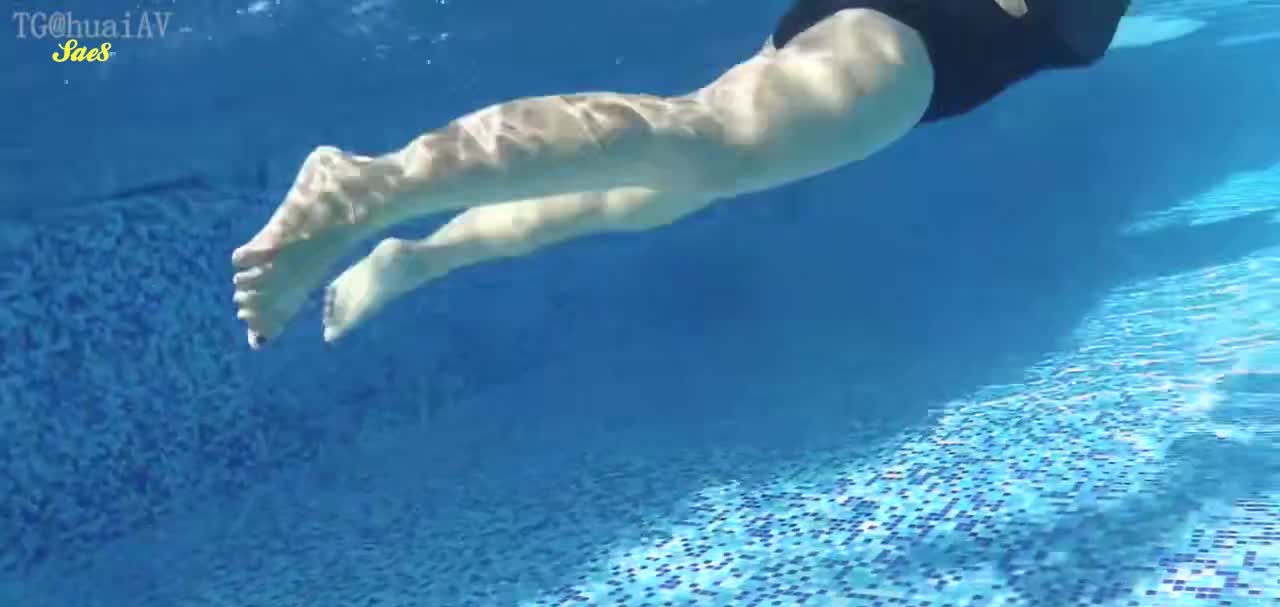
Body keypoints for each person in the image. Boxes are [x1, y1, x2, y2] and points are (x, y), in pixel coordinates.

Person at [231, 0, 1130, 348]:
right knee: (703, 144)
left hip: (864, 32)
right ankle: (367, 186)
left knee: (654, 191)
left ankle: (418, 256)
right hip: (908, 51)